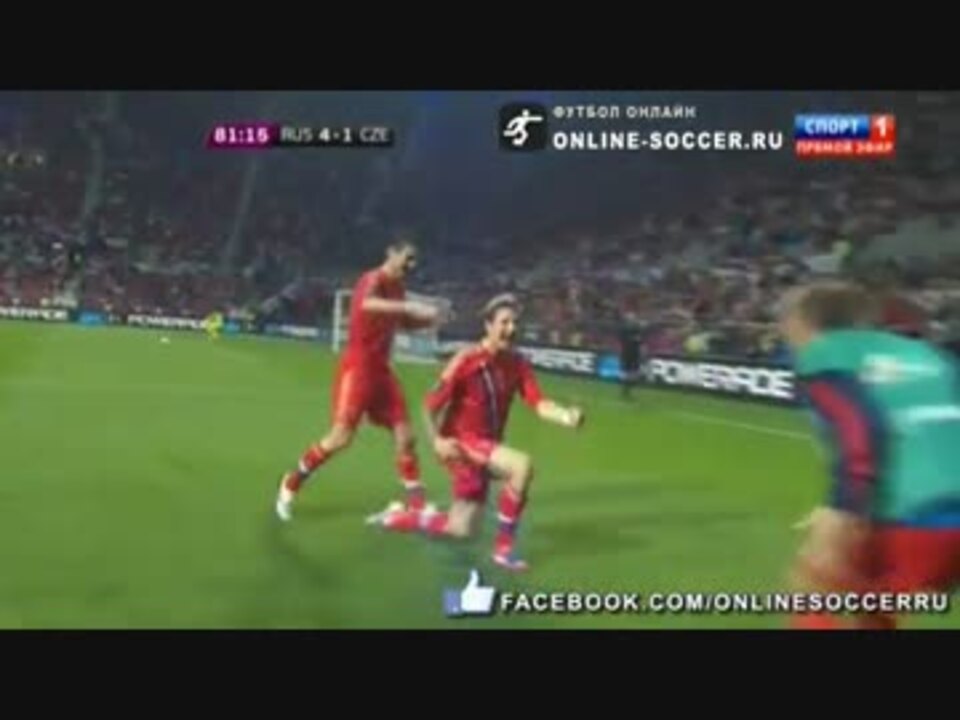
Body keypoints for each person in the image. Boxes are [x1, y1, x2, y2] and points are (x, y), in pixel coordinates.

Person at [780, 281, 960, 630]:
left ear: (801, 322)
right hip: (945, 524)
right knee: (874, 601)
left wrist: (841, 510)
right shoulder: (930, 355)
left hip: (914, 518)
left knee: (814, 585)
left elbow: (861, 431)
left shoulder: (823, 355)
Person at [373, 293, 584, 571]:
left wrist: (566, 416)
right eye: (504, 322)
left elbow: (538, 402)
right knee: (521, 466)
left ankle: (398, 518)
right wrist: (437, 441)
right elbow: (429, 405)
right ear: (488, 325)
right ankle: (503, 551)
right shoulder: (467, 360)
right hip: (461, 444)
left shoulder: (517, 363)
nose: (511, 328)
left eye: (514, 322)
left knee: (460, 529)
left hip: (486, 445)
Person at [274, 239, 444, 522]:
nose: (411, 265)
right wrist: (409, 306)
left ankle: (416, 503)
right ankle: (291, 482)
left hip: (381, 371)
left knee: (406, 435)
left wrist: (431, 321)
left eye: (415, 260)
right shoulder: (372, 279)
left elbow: (402, 322)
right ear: (391, 253)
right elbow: (368, 304)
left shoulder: (398, 289)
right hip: (358, 368)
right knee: (340, 438)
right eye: (408, 258)